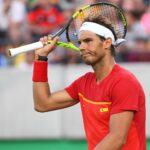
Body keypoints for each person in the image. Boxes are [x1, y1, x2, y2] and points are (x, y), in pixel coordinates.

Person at [32, 12, 146, 150]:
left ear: (107, 43)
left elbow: (117, 138)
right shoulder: (84, 83)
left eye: (88, 41)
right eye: (80, 42)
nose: (81, 47)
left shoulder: (124, 82)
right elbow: (42, 104)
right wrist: (41, 59)